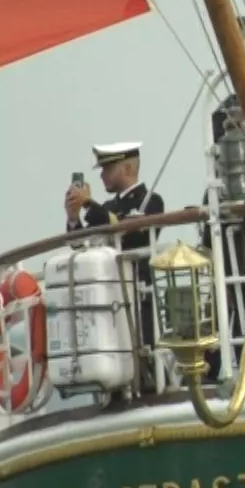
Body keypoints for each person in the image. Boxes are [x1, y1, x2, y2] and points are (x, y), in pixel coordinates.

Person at [64, 142, 167, 381]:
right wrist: (73, 218)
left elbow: (123, 227)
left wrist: (88, 204)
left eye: (108, 169)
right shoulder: (107, 207)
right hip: (108, 294)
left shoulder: (151, 201)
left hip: (138, 291)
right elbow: (81, 245)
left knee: (144, 355)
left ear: (127, 169)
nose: (102, 175)